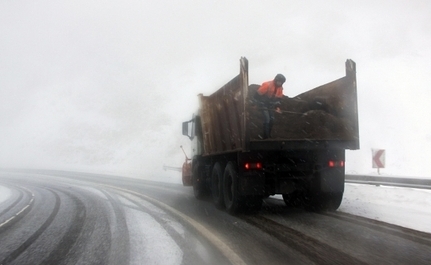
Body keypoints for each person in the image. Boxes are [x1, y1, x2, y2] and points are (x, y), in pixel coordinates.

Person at [254, 73, 286, 139]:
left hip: (270, 105)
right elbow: (256, 95)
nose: (280, 83)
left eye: (281, 82)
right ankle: (265, 137)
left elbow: (279, 99)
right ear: (276, 80)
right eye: (279, 81)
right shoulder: (267, 85)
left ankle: (268, 134)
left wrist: (277, 107)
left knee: (272, 119)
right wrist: (256, 103)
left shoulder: (280, 89)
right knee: (267, 119)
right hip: (263, 104)